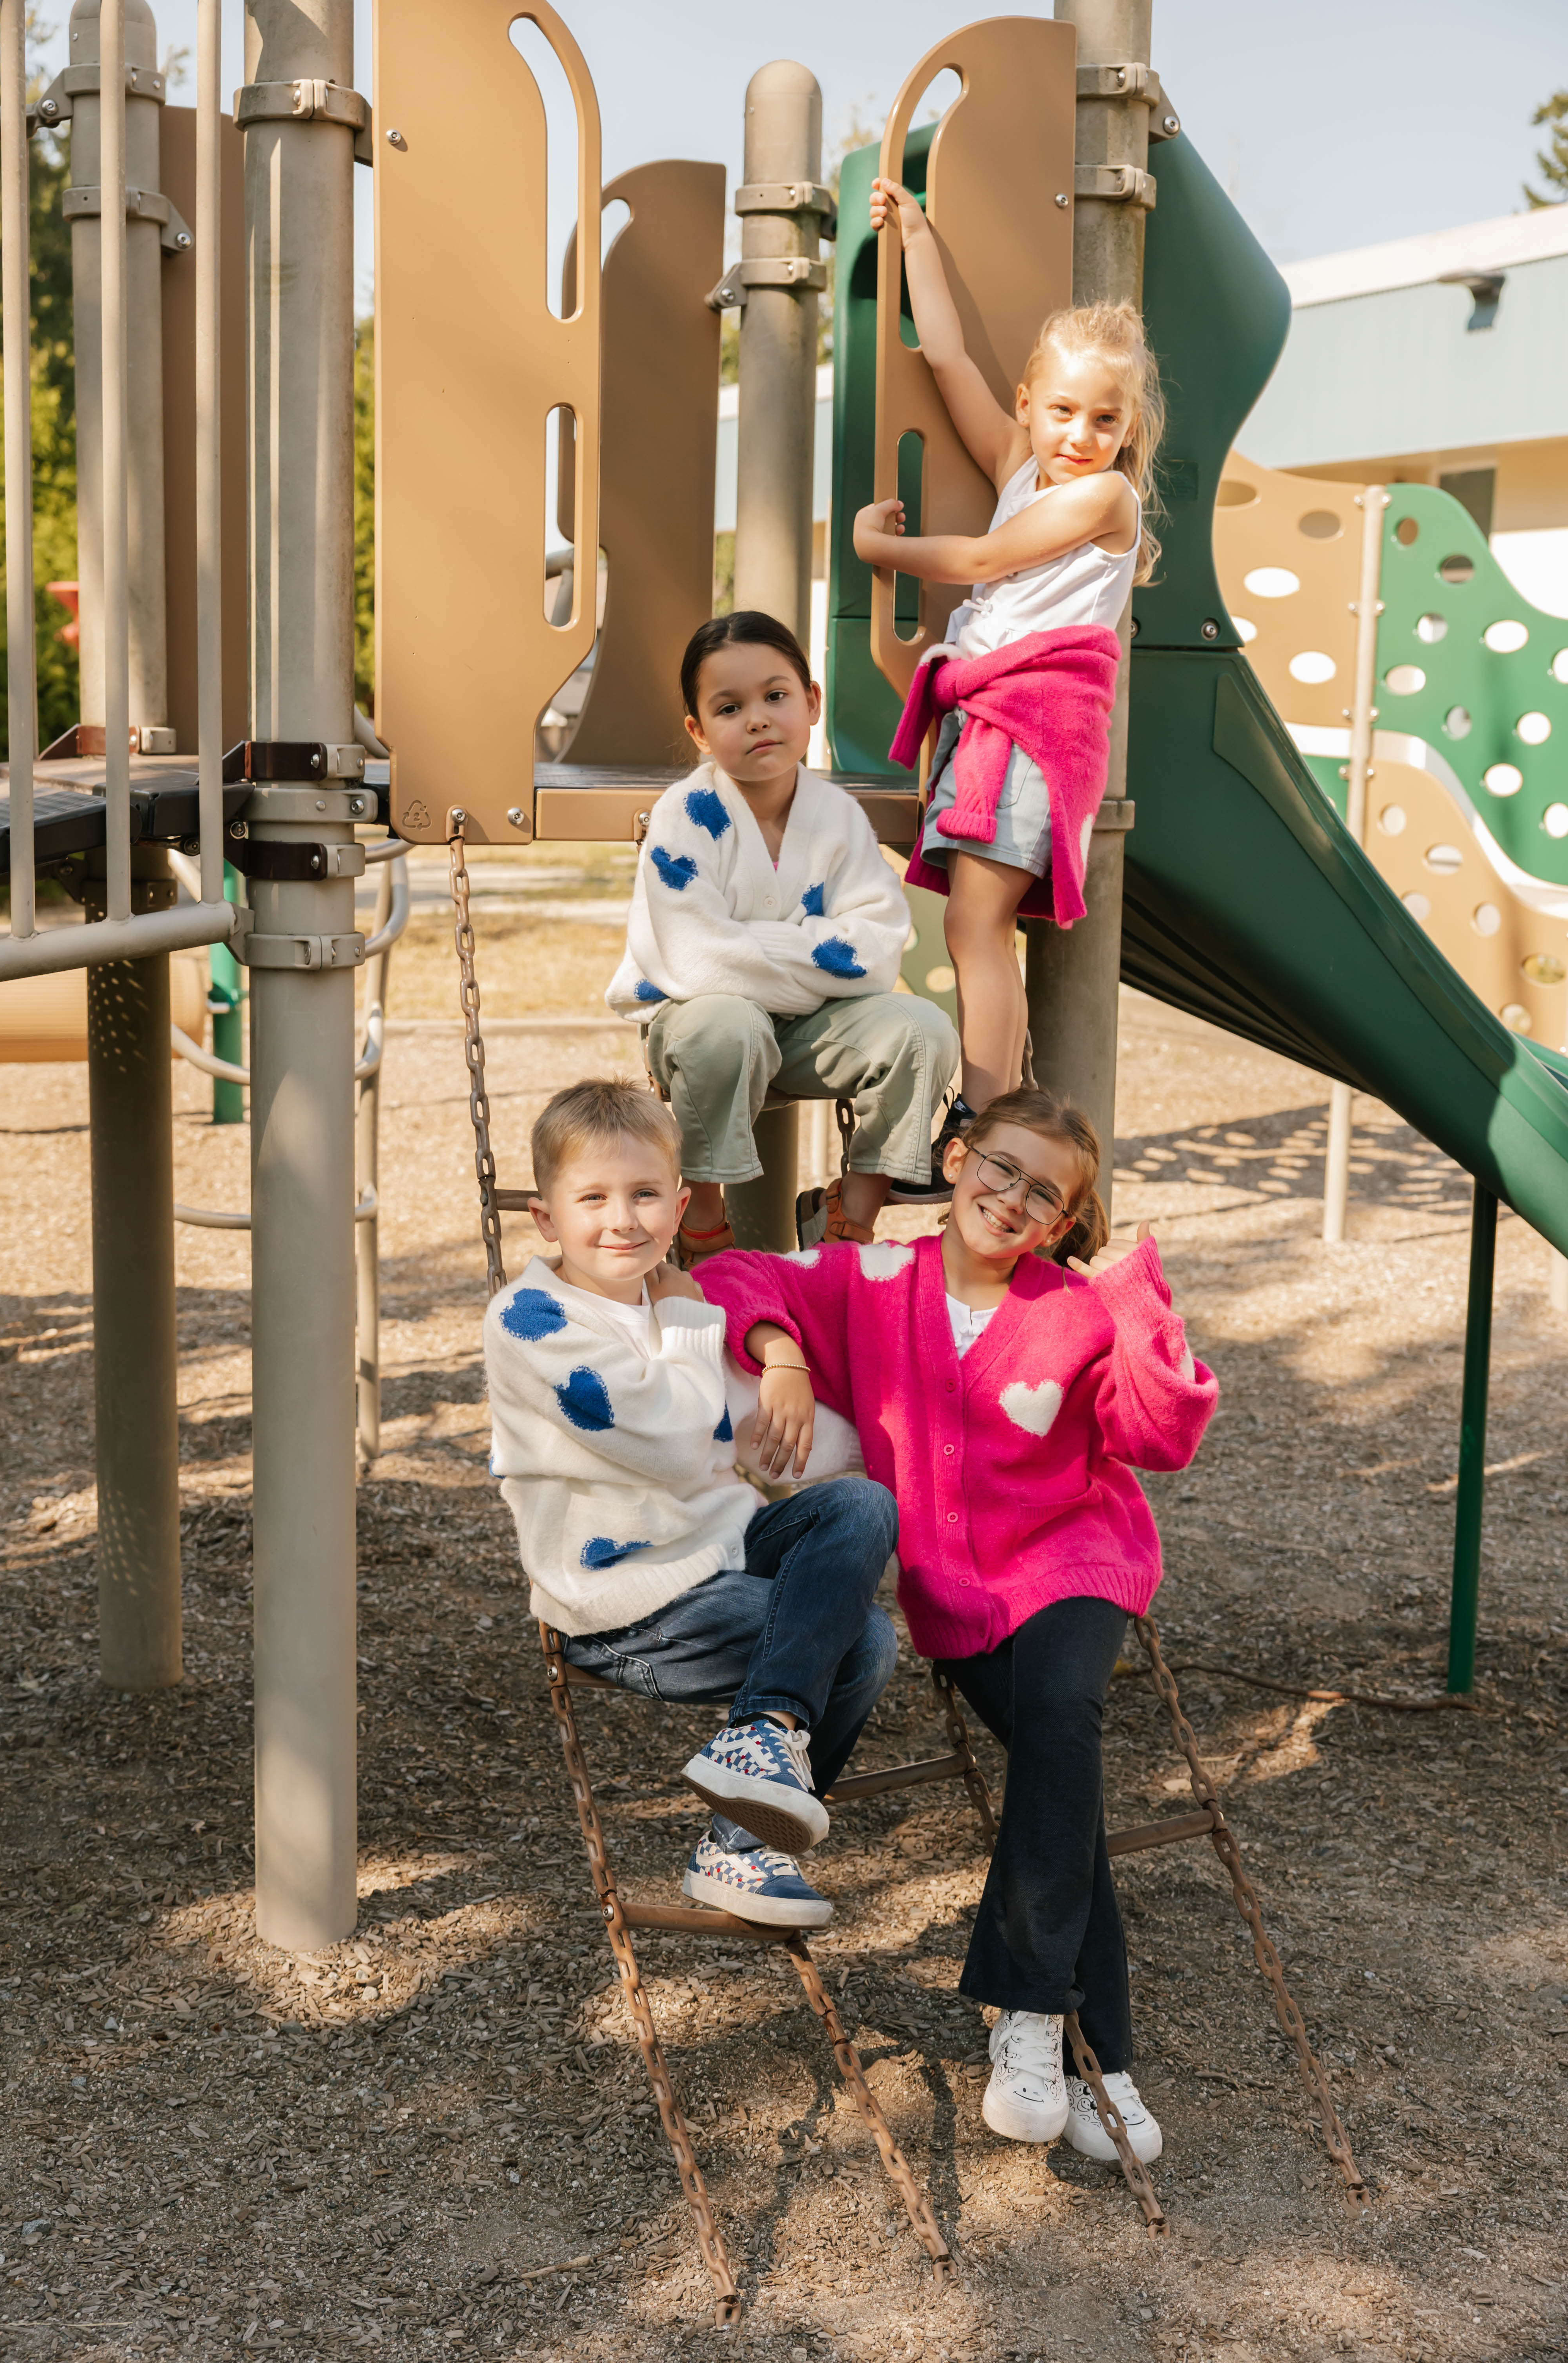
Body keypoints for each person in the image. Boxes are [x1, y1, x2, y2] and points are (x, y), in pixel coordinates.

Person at [697, 1089, 1217, 2161]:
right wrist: (785, 1356)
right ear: (956, 1155)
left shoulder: (1072, 1308)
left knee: (1064, 1715)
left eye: (1045, 1194)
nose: (1012, 1198)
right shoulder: (867, 1279)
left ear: (1066, 1221)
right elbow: (729, 1276)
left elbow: (1161, 1432)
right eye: (1000, 1167)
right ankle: (1101, 2057)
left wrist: (1132, 1297)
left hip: (1077, 1559)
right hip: (962, 1598)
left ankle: (1033, 2017)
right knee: (1054, 1778)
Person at [483, 1077, 900, 1928]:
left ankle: (754, 1766)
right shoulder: (530, 1320)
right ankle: (745, 1846)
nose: (621, 1220)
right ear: (545, 1218)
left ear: (678, 1208)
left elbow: (750, 1436)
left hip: (718, 1549)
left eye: (643, 1196)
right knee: (859, 1641)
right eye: (592, 1198)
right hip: (627, 1605)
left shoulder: (668, 1305)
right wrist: (687, 1316)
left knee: (858, 1507)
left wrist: (785, 1366)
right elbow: (676, 1438)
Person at [855, 178, 1164, 1151]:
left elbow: (986, 561)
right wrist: (915, 238)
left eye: (1103, 421)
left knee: (975, 930)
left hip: (1033, 724)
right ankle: (1001, 1101)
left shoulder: (1103, 500)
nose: (1080, 437)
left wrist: (880, 552)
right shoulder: (1019, 467)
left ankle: (983, 1117)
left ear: (1126, 433)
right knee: (975, 930)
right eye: (1063, 411)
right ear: (1029, 405)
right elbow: (945, 352)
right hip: (997, 722)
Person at [605, 610, 959, 1258]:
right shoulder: (686, 817)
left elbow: (876, 950)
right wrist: (812, 945)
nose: (758, 718)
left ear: (811, 702)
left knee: (921, 1029)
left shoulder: (837, 819)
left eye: (776, 696)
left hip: (808, 1032)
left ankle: (852, 1217)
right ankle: (704, 1219)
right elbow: (692, 959)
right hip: (699, 1027)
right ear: (701, 732)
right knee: (731, 1023)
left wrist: (750, 942)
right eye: (730, 707)